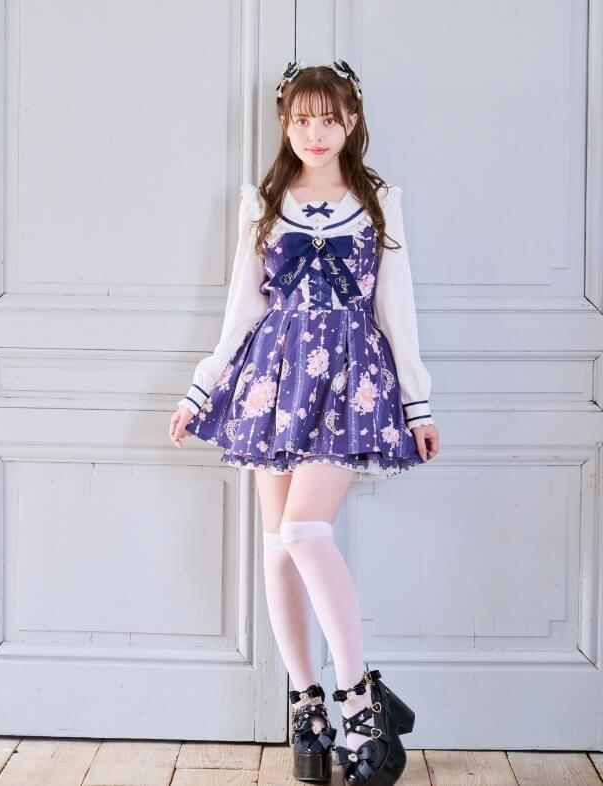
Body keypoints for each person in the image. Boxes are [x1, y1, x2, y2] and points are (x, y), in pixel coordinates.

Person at [170, 58, 440, 786]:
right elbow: (242, 309)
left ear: (351, 121)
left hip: (350, 378)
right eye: (300, 119)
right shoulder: (262, 202)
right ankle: (308, 710)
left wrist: (416, 401)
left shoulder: (379, 200)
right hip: (273, 379)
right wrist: (201, 389)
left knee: (303, 531)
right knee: (277, 547)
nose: (313, 132)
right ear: (285, 124)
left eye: (327, 118)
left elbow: (396, 306)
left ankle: (361, 704)